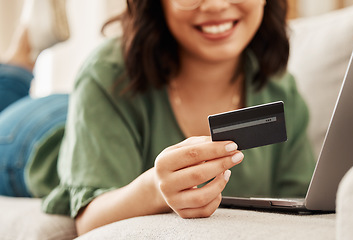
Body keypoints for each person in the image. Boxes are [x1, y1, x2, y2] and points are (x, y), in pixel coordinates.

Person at [0, 0, 316, 236]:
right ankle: (22, 57)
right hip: (31, 139)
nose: (217, 4)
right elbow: (86, 220)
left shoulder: (280, 87)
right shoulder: (107, 74)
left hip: (91, 111)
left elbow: (303, 198)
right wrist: (154, 189)